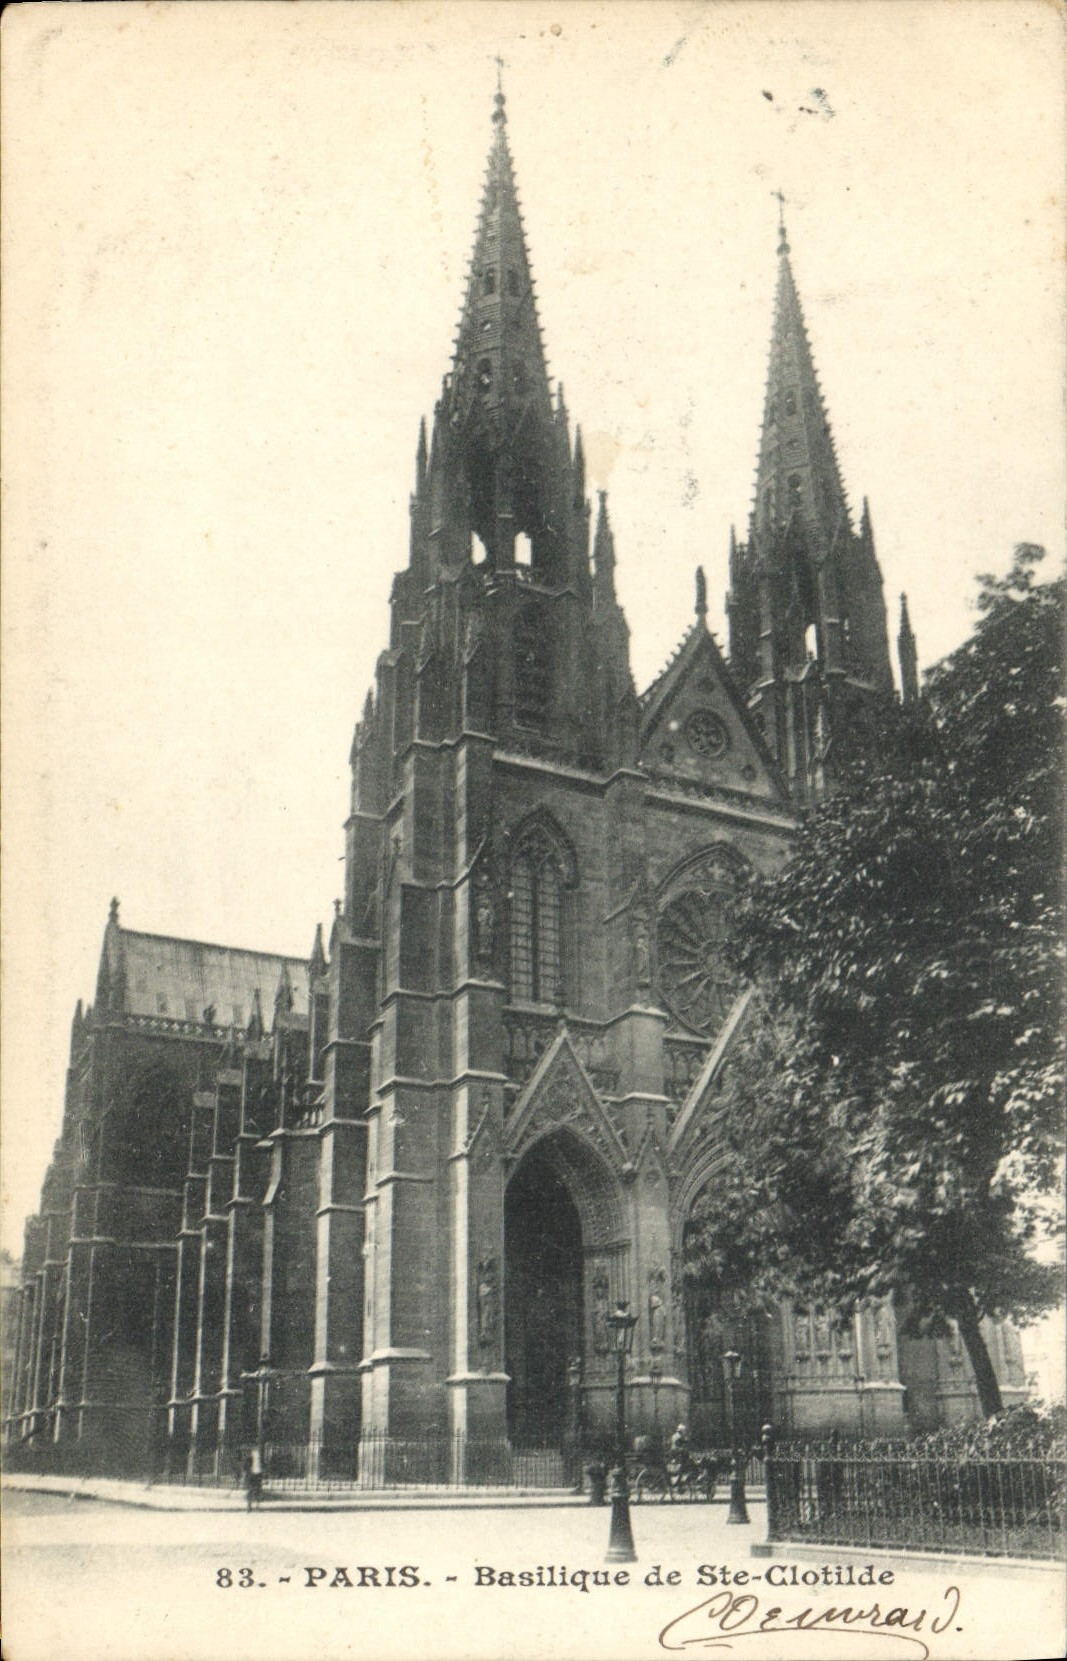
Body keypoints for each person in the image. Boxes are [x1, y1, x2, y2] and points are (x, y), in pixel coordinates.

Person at [245, 1444, 264, 1511]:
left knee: (257, 1490)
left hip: (258, 1474)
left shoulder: (260, 1457)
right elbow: (246, 1466)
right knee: (250, 1490)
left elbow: (262, 1465)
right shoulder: (249, 1457)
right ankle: (249, 1505)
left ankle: (257, 1506)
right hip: (251, 1475)